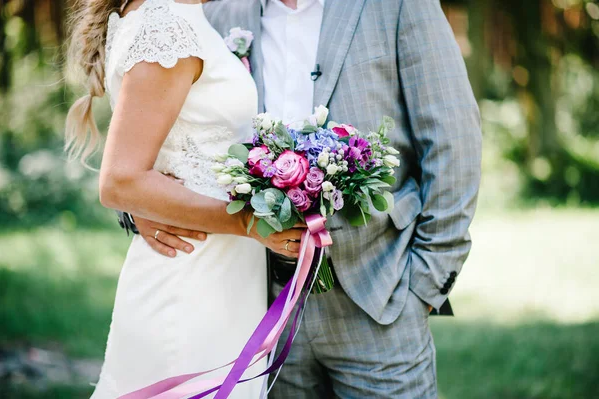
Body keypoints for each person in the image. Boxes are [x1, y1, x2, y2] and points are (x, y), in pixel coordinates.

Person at [128, 0, 483, 397]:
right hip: (262, 309)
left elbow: (454, 143)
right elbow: (161, 137)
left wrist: (425, 285)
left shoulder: (398, 6)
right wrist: (139, 208)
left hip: (381, 300)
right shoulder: (218, 13)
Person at [65, 0, 306, 397]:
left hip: (220, 274)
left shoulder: (172, 14)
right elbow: (120, 181)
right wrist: (249, 223)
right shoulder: (166, 25)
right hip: (191, 277)